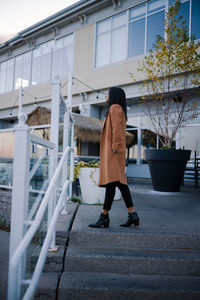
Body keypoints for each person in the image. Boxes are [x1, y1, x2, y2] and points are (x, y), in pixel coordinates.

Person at [89, 86, 139, 228]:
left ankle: (105, 216)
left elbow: (117, 130)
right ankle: (132, 214)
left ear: (114, 96)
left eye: (108, 94)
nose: (106, 97)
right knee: (119, 183)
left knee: (113, 183)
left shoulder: (115, 108)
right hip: (114, 152)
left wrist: (115, 148)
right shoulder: (116, 109)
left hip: (113, 153)